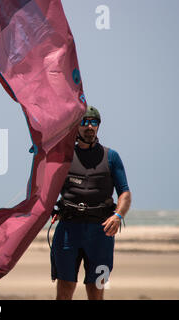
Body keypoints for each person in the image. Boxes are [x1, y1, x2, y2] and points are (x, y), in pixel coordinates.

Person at [50, 105, 132, 300]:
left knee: (96, 290)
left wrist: (118, 216)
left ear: (98, 126)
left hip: (101, 233)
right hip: (69, 231)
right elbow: (45, 190)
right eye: (84, 122)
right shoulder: (64, 157)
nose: (89, 127)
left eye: (93, 123)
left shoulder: (111, 157)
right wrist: (48, 211)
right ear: (76, 127)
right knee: (65, 288)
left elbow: (125, 193)